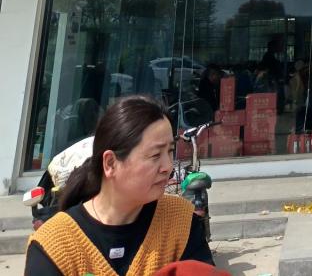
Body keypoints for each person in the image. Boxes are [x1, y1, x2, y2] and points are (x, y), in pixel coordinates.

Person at [24, 95, 213, 276]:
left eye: (170, 151)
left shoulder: (180, 222)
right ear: (110, 163)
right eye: (155, 155)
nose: (168, 166)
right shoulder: (53, 246)